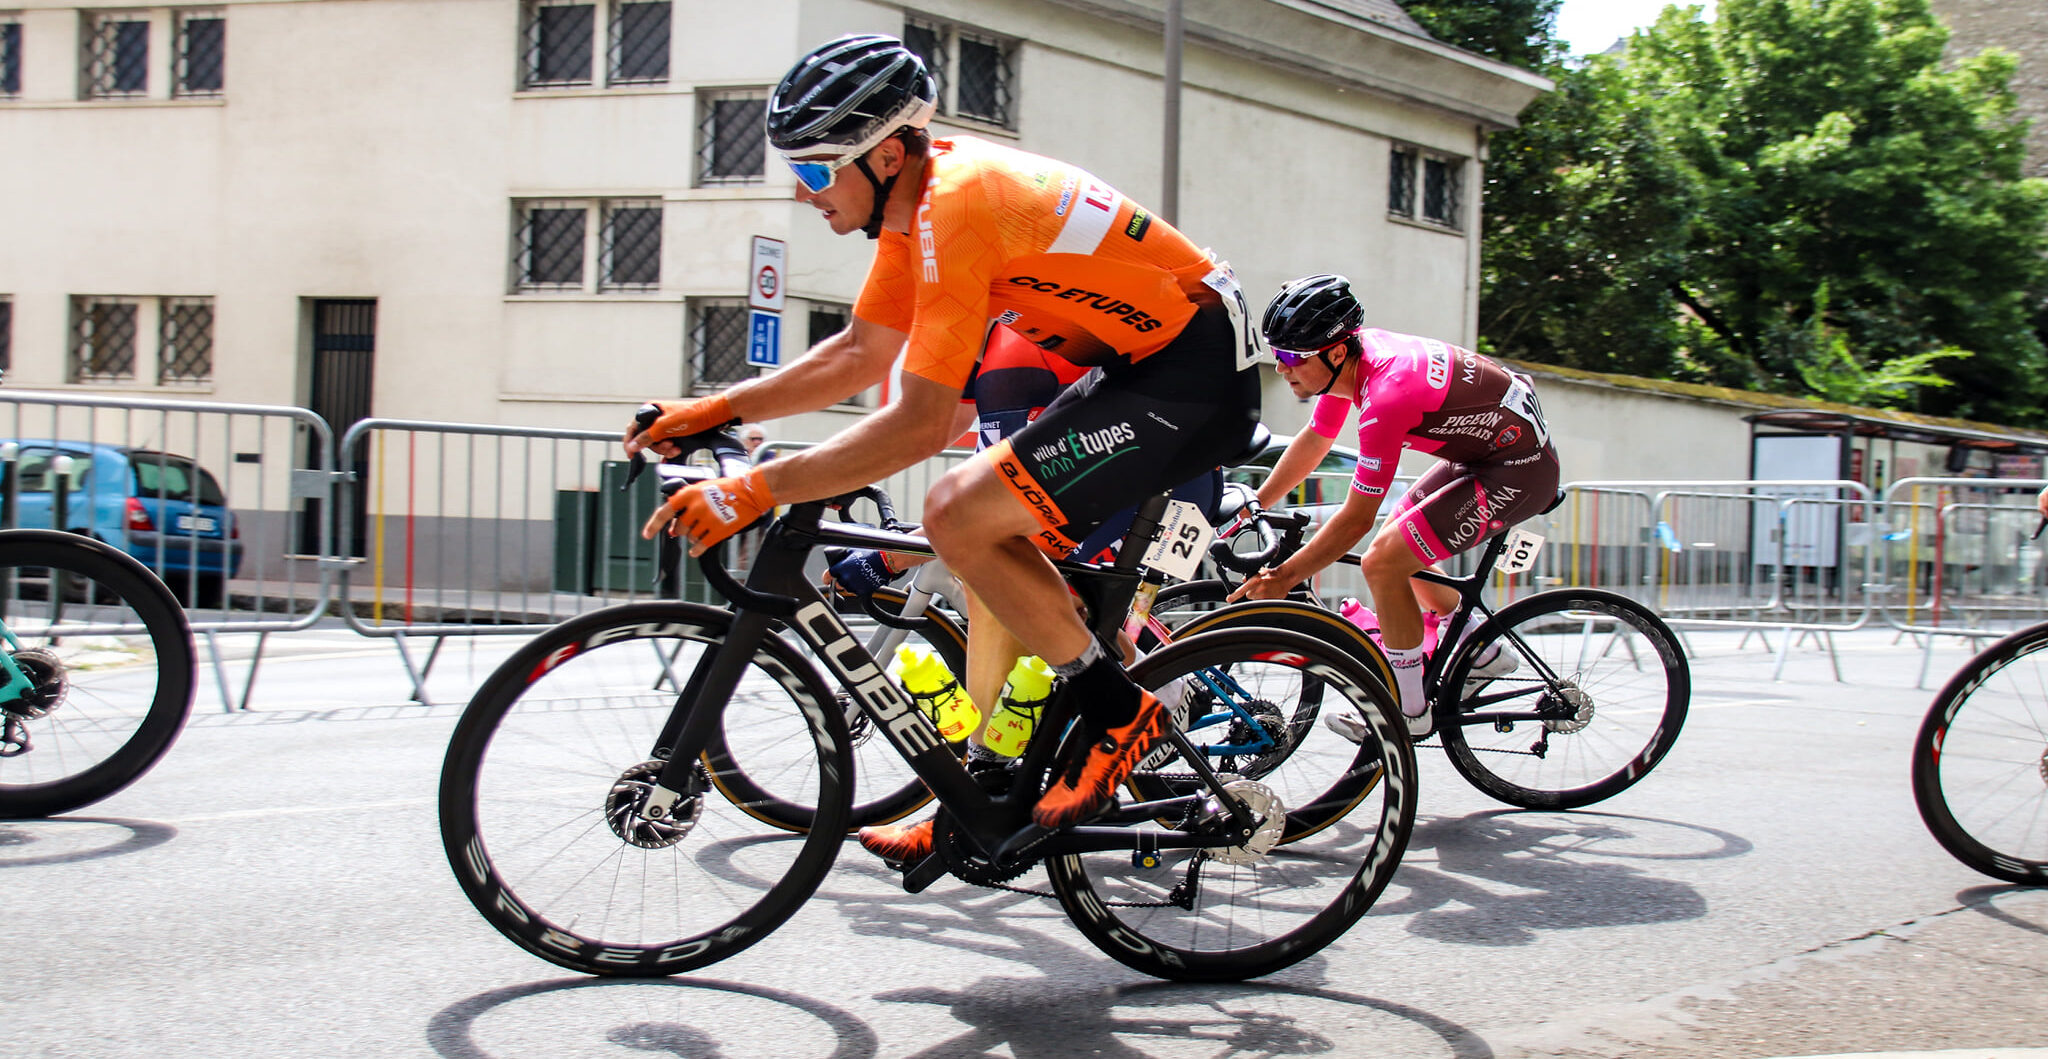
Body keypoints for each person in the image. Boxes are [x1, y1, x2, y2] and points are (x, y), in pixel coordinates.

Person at [623, 35, 1262, 864]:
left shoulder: (957, 206)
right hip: (1136, 364)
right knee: (979, 550)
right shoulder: (913, 208)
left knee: (957, 512)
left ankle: (1119, 713)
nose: (804, 190)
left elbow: (920, 423)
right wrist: (712, 408)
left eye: (817, 170)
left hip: (1192, 371)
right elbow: (860, 353)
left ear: (886, 153)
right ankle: (981, 794)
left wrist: (754, 490)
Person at [1230, 274, 1559, 739]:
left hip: (1518, 468)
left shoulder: (1386, 396)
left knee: (1383, 560)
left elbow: (1355, 519)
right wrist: (1256, 502)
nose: (1281, 369)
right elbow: (1316, 440)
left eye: (1289, 358)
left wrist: (1285, 577)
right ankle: (1482, 652)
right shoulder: (1352, 363)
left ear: (1336, 351)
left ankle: (1408, 713)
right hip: (1485, 457)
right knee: (1399, 537)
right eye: (1276, 355)